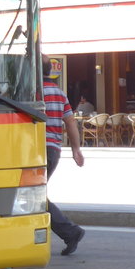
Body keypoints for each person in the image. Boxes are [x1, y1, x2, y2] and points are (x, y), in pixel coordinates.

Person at [43, 68, 85, 256]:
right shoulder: (60, 94)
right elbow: (70, 123)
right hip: (53, 150)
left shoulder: (30, 91)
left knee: (30, 196)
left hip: (37, 150)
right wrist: (75, 149)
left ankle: (70, 231)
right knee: (31, 195)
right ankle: (70, 232)